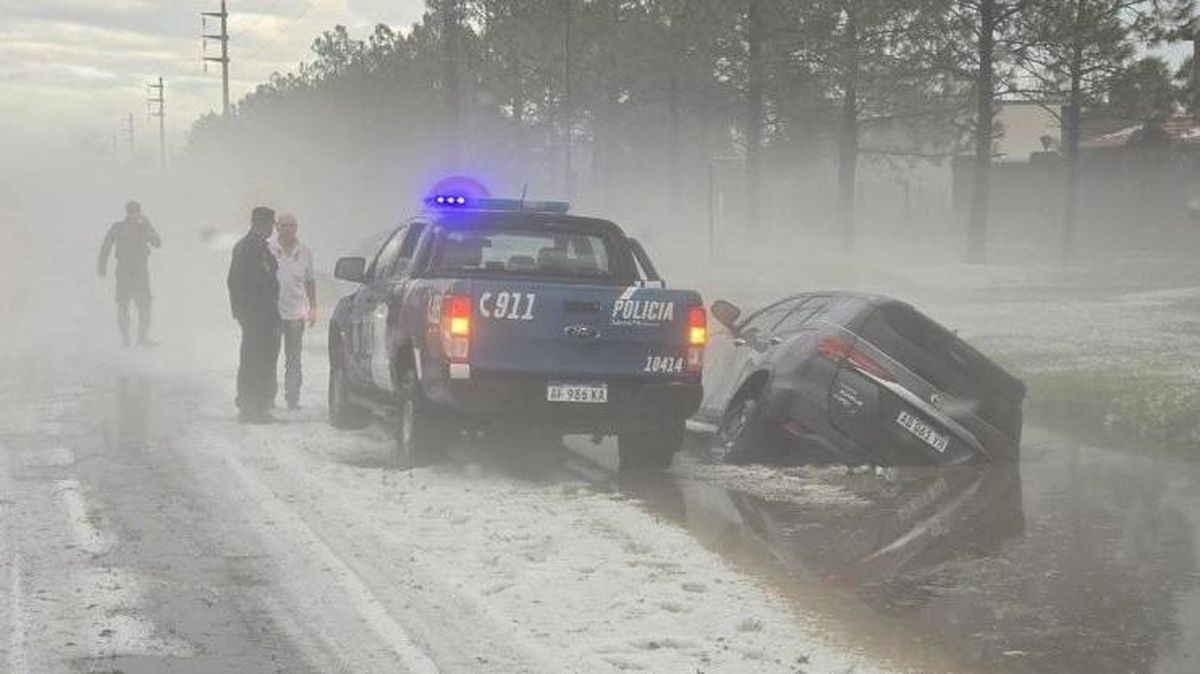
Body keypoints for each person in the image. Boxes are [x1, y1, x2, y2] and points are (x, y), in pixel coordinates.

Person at [227, 206, 281, 424]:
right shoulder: (247, 248)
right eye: (270, 224)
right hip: (255, 316)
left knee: (265, 360)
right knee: (253, 361)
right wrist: (242, 313)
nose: (272, 229)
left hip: (266, 314)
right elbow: (235, 282)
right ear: (260, 224)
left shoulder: (261, 247)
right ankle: (250, 407)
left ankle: (260, 405)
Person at [97, 201, 162, 346]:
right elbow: (106, 246)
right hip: (125, 272)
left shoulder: (143, 227)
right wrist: (102, 265)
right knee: (123, 305)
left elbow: (158, 243)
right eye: (132, 212)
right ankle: (126, 338)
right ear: (128, 213)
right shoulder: (119, 227)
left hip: (140, 272)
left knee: (144, 305)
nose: (135, 214)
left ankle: (141, 338)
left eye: (136, 212)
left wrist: (149, 226)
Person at [269, 212, 317, 410]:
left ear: (296, 228)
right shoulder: (269, 249)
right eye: (284, 225)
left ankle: (292, 398)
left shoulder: (305, 252)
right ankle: (268, 397)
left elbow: (310, 281)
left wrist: (313, 307)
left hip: (296, 315)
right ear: (277, 228)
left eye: (291, 226)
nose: (288, 229)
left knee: (294, 359)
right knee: (270, 357)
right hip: (273, 313)